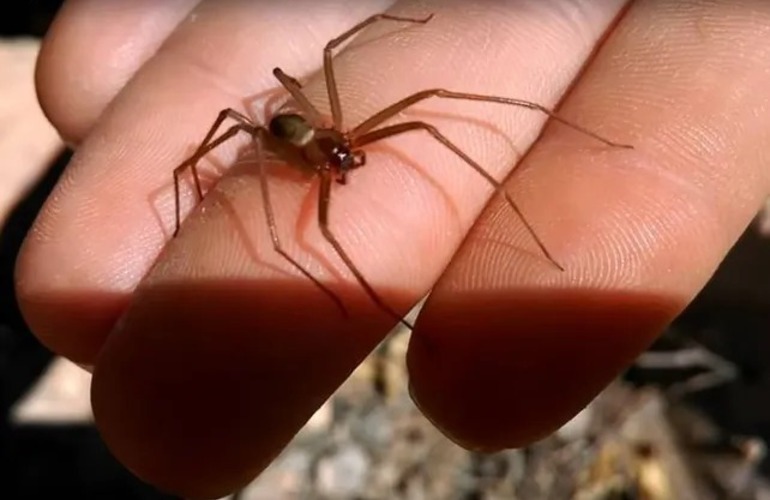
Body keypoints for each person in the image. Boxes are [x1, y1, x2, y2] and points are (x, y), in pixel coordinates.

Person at [16, 2, 770, 498]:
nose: (349, 165)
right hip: (290, 139)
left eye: (345, 154)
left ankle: (571, 136)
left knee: (435, 112)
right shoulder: (302, 155)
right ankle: (395, 319)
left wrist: (405, 22)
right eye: (341, 159)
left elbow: (366, 66)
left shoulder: (345, 130)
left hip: (316, 127)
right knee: (310, 227)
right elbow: (285, 224)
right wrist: (377, 307)